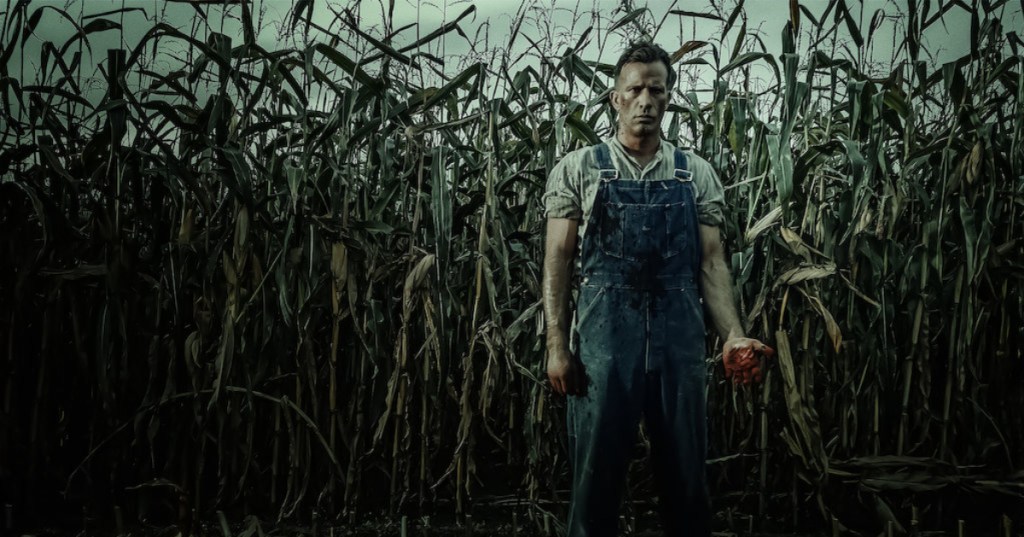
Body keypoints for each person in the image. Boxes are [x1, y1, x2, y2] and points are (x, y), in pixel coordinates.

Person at [541, 41, 772, 537]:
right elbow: (557, 259)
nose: (646, 99)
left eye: (656, 89)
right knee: (594, 481)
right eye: (635, 89)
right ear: (615, 99)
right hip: (604, 344)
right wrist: (557, 345)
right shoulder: (579, 169)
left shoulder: (695, 174)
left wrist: (733, 335)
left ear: (669, 99)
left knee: (686, 480)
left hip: (678, 341)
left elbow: (711, 263)